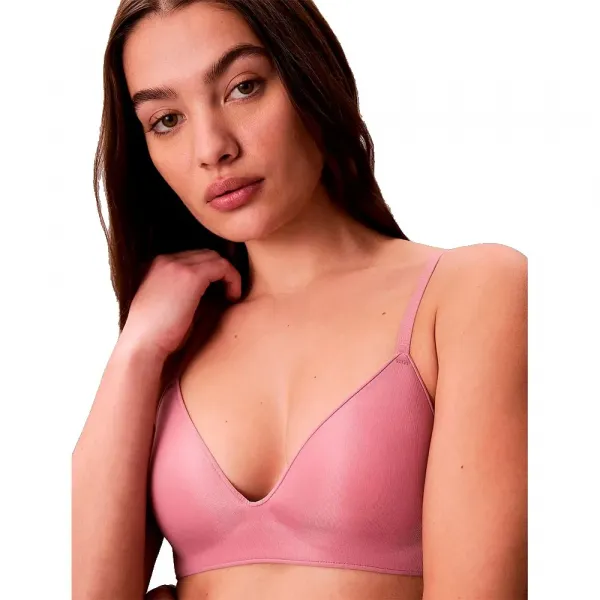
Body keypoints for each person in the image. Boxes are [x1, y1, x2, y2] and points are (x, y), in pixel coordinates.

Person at [72, 1, 528, 599]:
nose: (212, 147)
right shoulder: (169, 343)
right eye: (166, 120)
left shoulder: (470, 292)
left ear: (311, 76)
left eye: (243, 87)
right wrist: (134, 351)